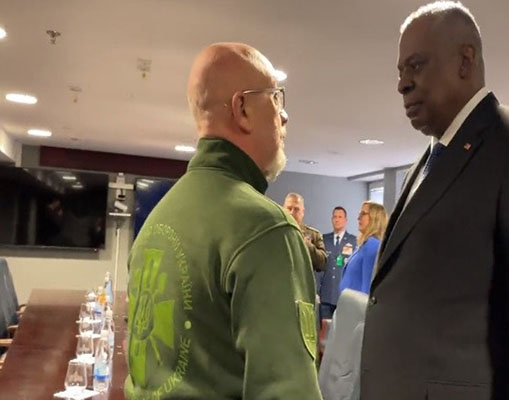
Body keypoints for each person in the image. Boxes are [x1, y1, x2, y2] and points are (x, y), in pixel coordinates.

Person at [361, 2, 509, 400]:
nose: (402, 84)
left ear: (465, 61)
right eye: (400, 72)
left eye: (415, 65)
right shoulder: (425, 165)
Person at [126, 42, 322, 400]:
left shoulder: (155, 220)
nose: (284, 117)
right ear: (242, 108)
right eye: (276, 98)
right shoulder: (266, 228)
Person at [339, 202, 387, 295]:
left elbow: (367, 287)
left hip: (356, 303)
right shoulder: (364, 245)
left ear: (374, 218)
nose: (358, 218)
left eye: (363, 213)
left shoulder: (372, 245)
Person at [319, 206, 357, 320]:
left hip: (344, 296)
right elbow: (319, 268)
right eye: (335, 217)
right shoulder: (324, 240)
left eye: (340, 217)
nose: (337, 220)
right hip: (326, 295)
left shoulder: (353, 241)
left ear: (345, 220)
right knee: (325, 328)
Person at [283, 192, 327, 272]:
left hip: (303, 278)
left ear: (302, 212)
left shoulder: (314, 235)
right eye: (289, 208)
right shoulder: (275, 232)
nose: (292, 212)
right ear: (283, 209)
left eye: (296, 209)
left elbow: (322, 264)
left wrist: (307, 245)